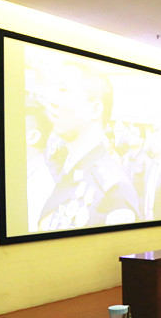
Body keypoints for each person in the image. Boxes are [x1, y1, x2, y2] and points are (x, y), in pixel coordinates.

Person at [37, 63, 140, 229]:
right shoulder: (63, 168)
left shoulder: (113, 190)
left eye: (64, 90)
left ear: (95, 110)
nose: (53, 101)